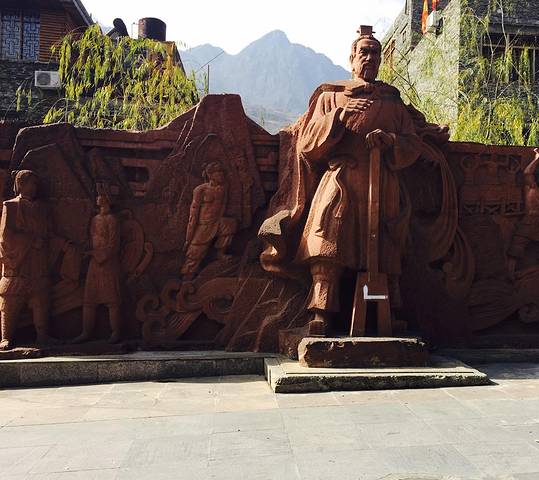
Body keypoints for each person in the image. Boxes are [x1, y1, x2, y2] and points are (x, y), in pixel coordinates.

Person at [260, 26, 447, 336]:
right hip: (341, 180)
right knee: (327, 245)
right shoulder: (331, 97)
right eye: (364, 52)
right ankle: (320, 313)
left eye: (375, 53)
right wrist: (339, 117)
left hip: (382, 184)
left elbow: (412, 143)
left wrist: (390, 141)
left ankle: (390, 314)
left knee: (386, 247)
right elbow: (307, 144)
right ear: (351, 58)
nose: (369, 58)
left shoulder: (392, 103)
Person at [0, 171, 57, 349]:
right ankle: (5, 337)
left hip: (38, 261)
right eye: (32, 183)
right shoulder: (10, 206)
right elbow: (5, 235)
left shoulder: (43, 208)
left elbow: (49, 232)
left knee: (41, 298)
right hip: (18, 262)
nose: (35, 187)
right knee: (11, 299)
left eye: (36, 184)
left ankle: (42, 336)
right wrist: (31, 240)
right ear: (21, 184)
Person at [73, 194, 122, 344]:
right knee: (89, 300)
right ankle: (86, 332)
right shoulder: (94, 219)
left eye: (101, 195)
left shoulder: (112, 220)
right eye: (97, 195)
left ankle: (116, 333)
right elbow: (91, 239)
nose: (98, 197)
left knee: (112, 300)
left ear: (108, 199)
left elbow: (113, 245)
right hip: (94, 263)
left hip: (107, 263)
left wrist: (98, 254)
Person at [181, 162, 237, 280]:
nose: (221, 175)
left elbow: (223, 205)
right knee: (195, 252)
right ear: (210, 175)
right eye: (218, 173)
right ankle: (187, 276)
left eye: (222, 172)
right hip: (204, 225)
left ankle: (220, 253)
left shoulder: (223, 188)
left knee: (231, 225)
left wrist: (219, 219)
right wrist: (188, 237)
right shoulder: (200, 190)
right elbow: (193, 213)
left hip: (217, 222)